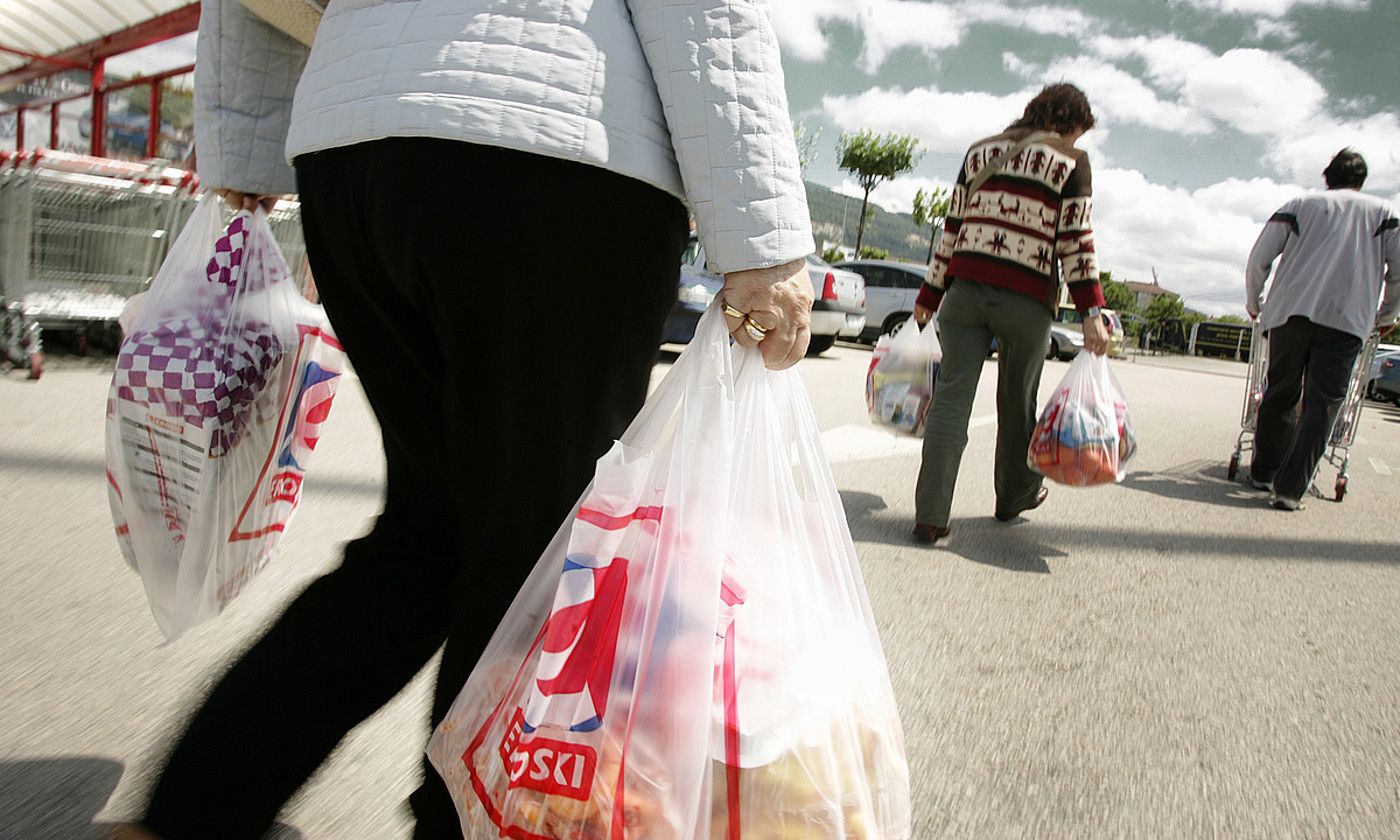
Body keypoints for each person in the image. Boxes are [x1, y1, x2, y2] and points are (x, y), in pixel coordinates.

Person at [113, 0, 814, 837]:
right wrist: (764, 239)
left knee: (429, 532)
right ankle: (466, 824)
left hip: (353, 152)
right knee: (538, 555)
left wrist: (244, 145)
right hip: (553, 143)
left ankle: (197, 804)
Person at [909, 83, 1110, 544]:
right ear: (1068, 121)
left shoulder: (980, 152)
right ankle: (1013, 496)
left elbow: (952, 227)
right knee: (1017, 403)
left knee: (951, 401)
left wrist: (929, 293)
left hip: (963, 295)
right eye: (1077, 133)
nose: (1076, 144)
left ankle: (931, 515)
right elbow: (1075, 239)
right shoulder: (1069, 161)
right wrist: (1091, 308)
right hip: (1025, 298)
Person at [1245, 148, 1400, 511]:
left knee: (1281, 390)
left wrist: (1255, 302)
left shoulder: (1299, 205)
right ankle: (1290, 488)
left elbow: (1259, 257)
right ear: (1361, 181)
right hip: (1347, 321)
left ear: (1326, 176)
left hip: (1290, 314)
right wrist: (1388, 313)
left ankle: (1263, 471)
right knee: (1323, 404)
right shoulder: (1385, 215)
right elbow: (1399, 271)